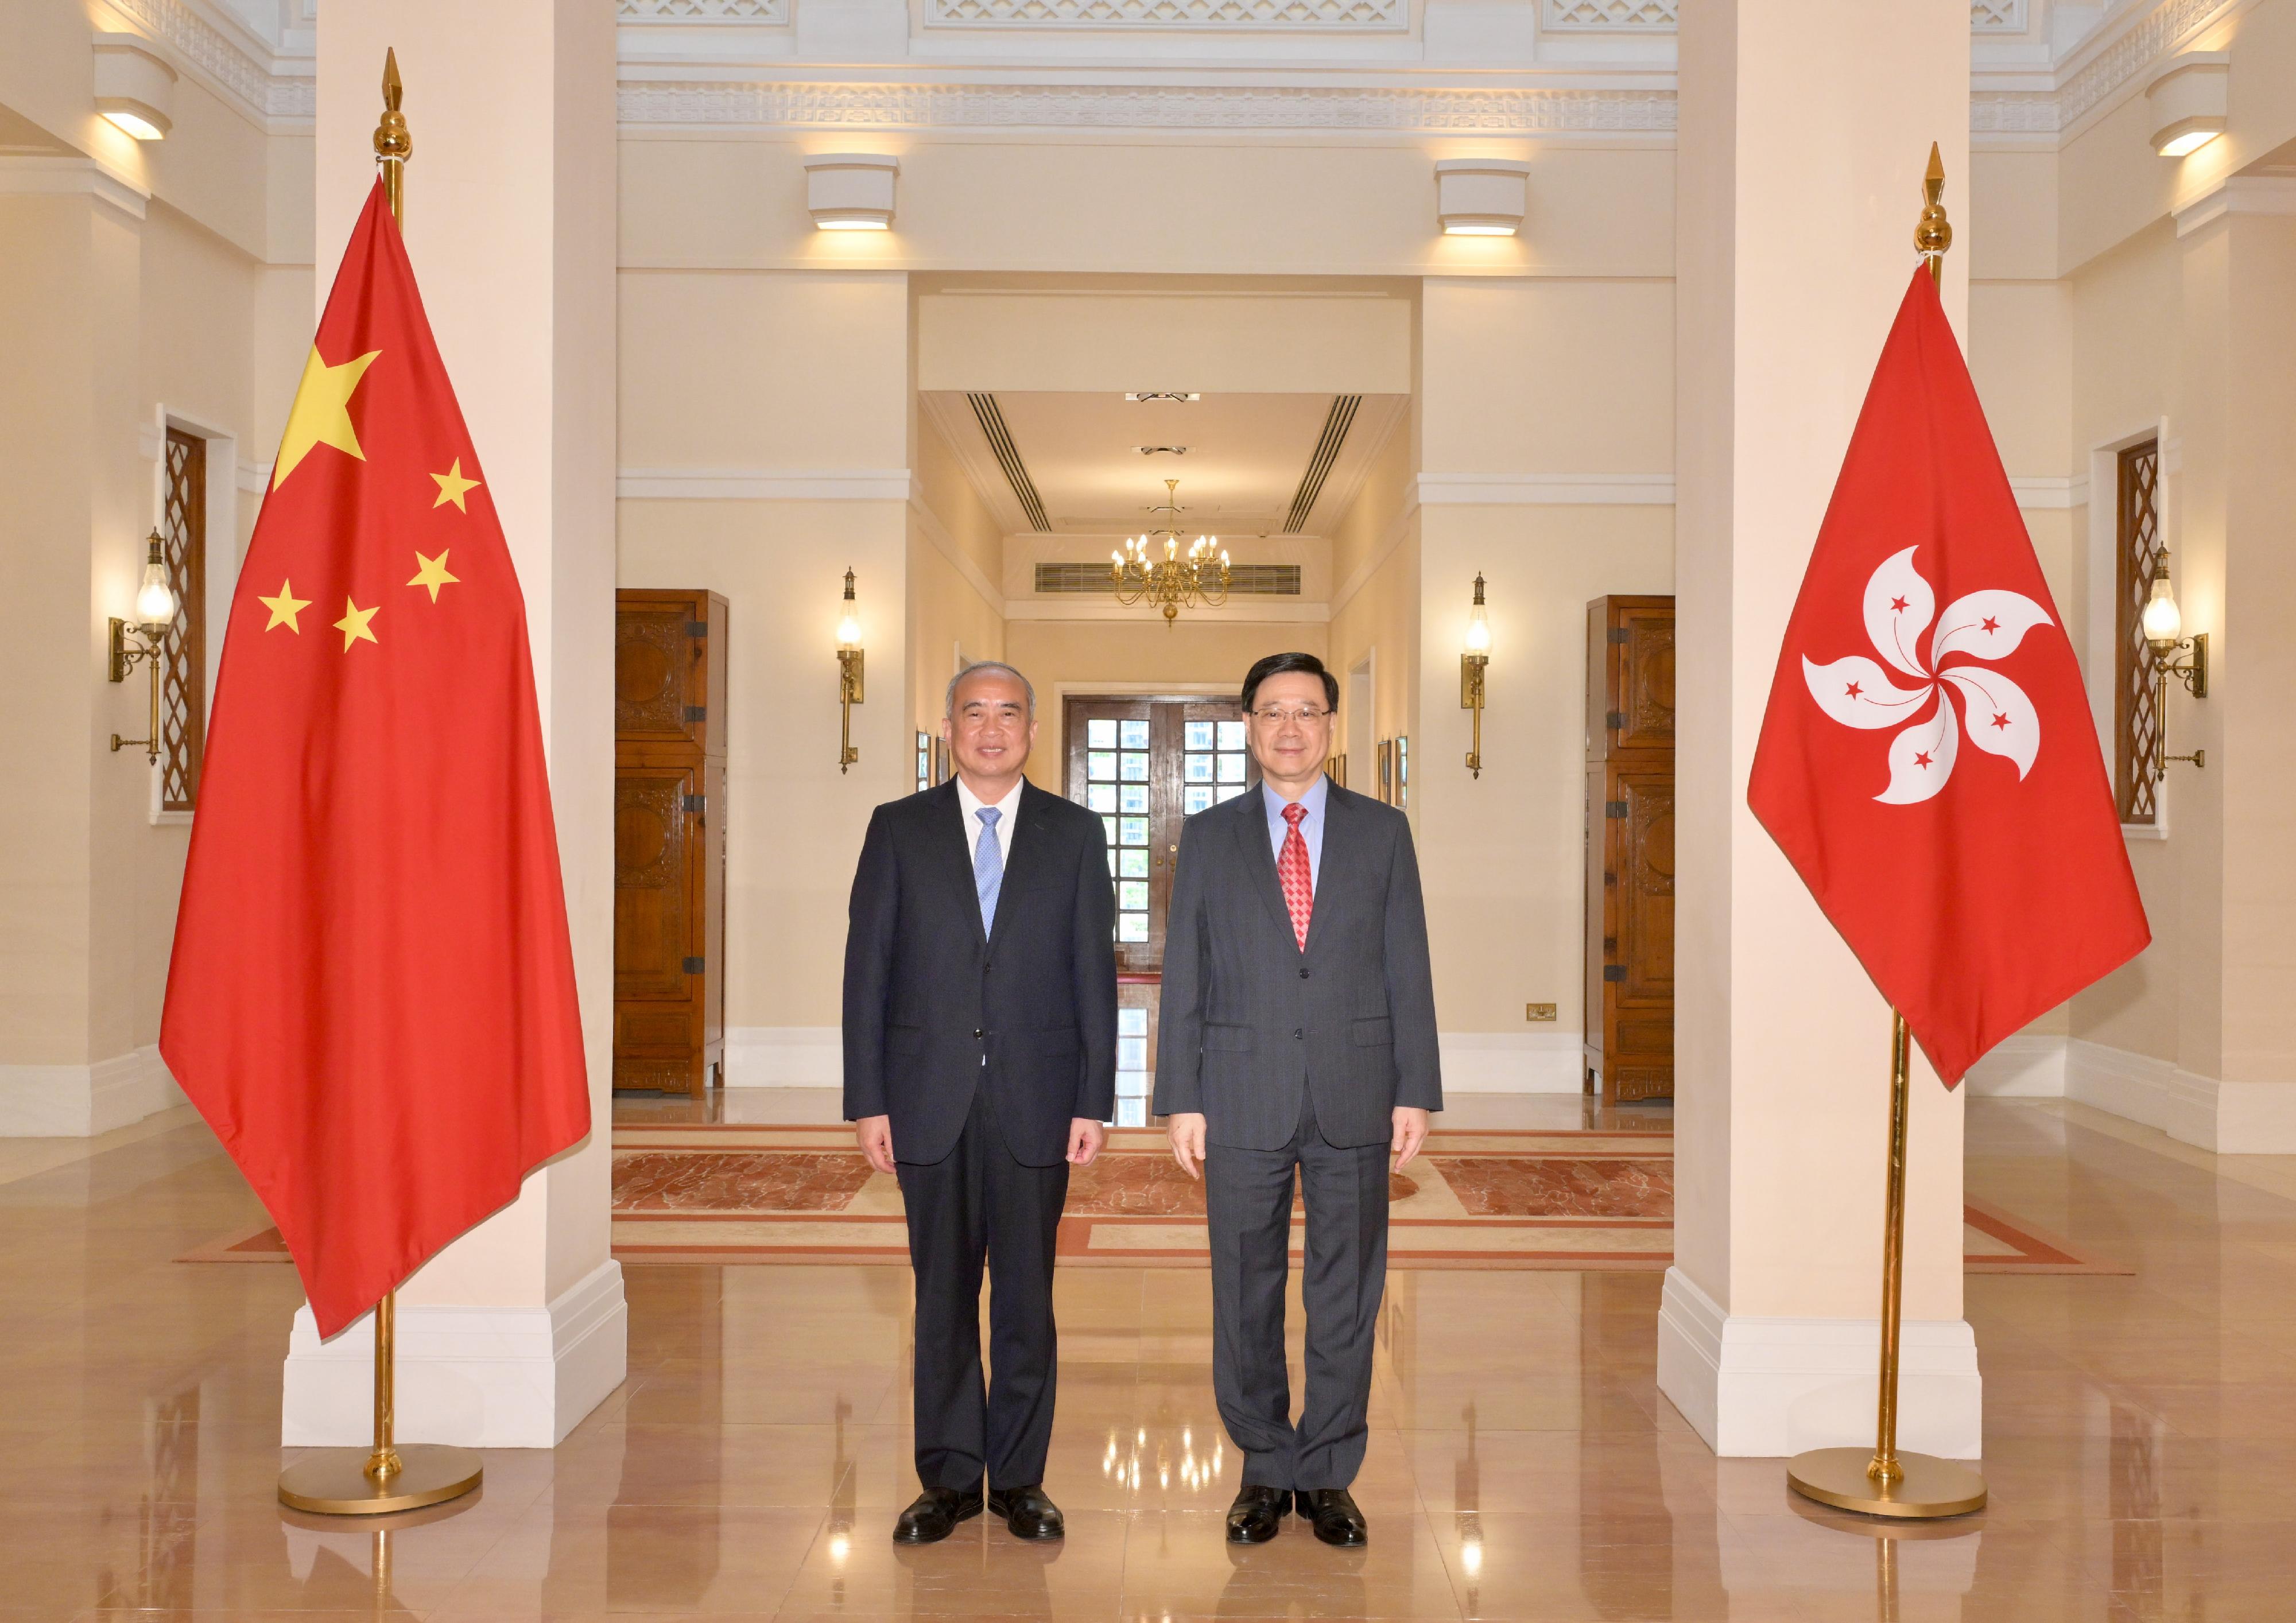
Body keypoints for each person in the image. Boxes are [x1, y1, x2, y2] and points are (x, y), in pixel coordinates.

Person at [1153, 651, 1441, 1549]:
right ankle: (1263, 1467)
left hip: (1357, 1089)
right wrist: (1180, 1097)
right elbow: (1186, 972)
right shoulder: (1207, 836)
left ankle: (1327, 1472)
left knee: (1346, 1292)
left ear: (1330, 726)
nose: (1290, 728)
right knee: (1244, 1289)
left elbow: (1409, 966)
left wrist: (1416, 1089)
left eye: (1307, 712)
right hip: (1239, 1092)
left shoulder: (1383, 832)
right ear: (1248, 726)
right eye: (1273, 711)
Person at [843, 660, 1117, 1544]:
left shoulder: (1075, 833)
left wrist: (1094, 1098)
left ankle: (1022, 1481)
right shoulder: (899, 829)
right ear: (950, 730)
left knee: (1028, 1301)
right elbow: (866, 974)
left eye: (1008, 713)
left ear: (1031, 730)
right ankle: (951, 1479)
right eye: (974, 714)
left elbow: (1092, 974)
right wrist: (868, 1099)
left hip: (1039, 1098)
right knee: (943, 1295)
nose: (991, 729)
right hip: (927, 1099)